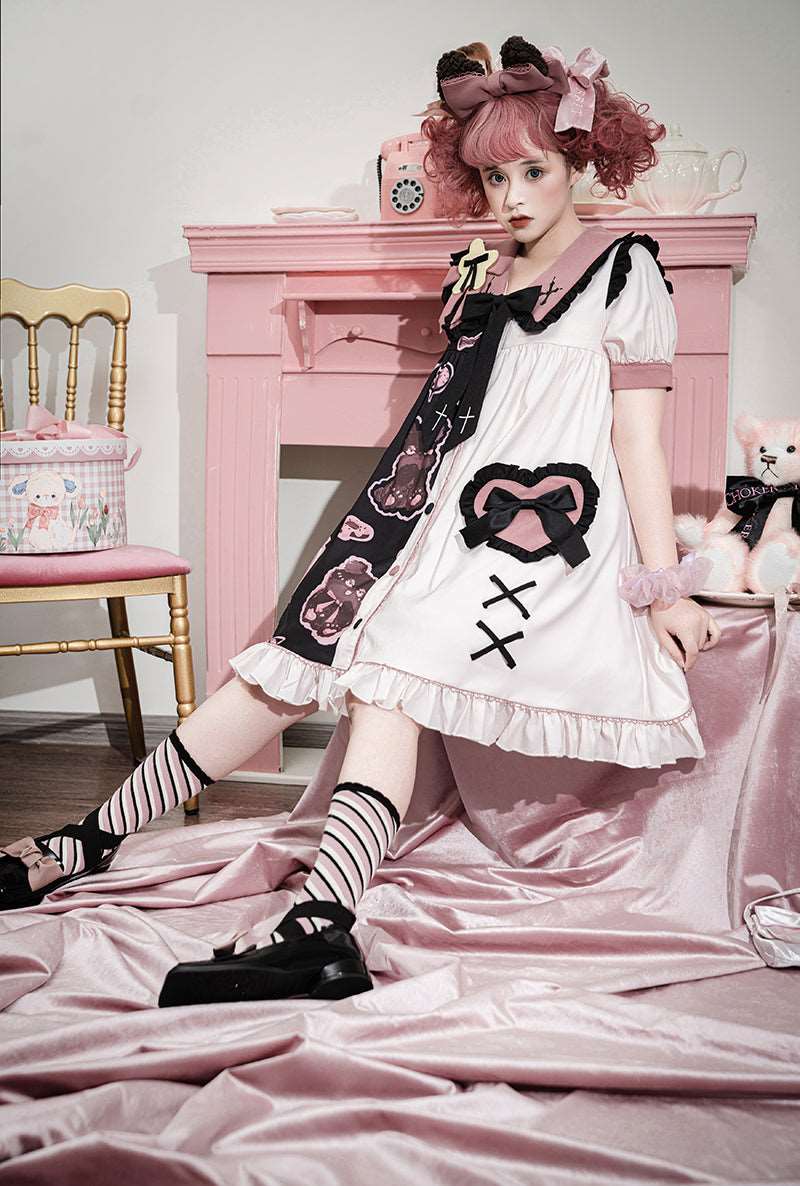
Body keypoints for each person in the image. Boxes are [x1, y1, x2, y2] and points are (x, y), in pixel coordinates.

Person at [0, 34, 721, 1005]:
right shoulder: (487, 270)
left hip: (528, 540)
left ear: (578, 163)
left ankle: (319, 923)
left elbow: (638, 439)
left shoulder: (626, 270)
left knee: (382, 672)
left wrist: (662, 586)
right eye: (494, 176)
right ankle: (88, 840)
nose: (512, 196)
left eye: (534, 172)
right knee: (285, 664)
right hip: (420, 517)